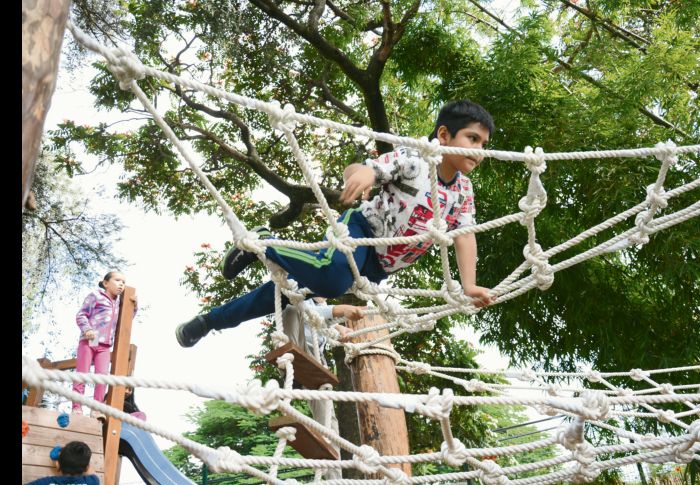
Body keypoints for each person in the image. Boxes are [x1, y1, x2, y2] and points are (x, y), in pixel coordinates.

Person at [176, 99, 495, 348]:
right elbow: (367, 168)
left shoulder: (463, 192)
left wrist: (468, 284)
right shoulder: (415, 160)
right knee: (331, 281)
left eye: (484, 143)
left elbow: (465, 236)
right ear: (443, 135)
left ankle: (207, 322)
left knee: (287, 292)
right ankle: (264, 242)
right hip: (360, 233)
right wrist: (366, 175)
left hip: (380, 267)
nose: (479, 150)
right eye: (473, 138)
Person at [280, 297, 365, 479]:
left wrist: (339, 329)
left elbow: (325, 321)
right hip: (296, 347)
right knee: (293, 309)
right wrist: (339, 309)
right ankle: (291, 366)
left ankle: (334, 480)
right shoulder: (302, 295)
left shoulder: (324, 307)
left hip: (317, 361)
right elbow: (309, 312)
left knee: (329, 425)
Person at [72, 271, 137, 417]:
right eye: (117, 280)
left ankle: (97, 410)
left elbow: (126, 320)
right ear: (106, 283)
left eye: (124, 282)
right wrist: (87, 329)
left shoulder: (120, 304)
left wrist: (134, 305)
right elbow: (81, 315)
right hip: (91, 339)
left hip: (105, 345)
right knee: (82, 373)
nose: (121, 284)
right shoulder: (96, 296)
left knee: (102, 378)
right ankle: (77, 408)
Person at [24, 440, 100, 485]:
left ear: (58, 464)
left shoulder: (45, 482)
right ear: (86, 468)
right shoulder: (93, 481)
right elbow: (91, 471)